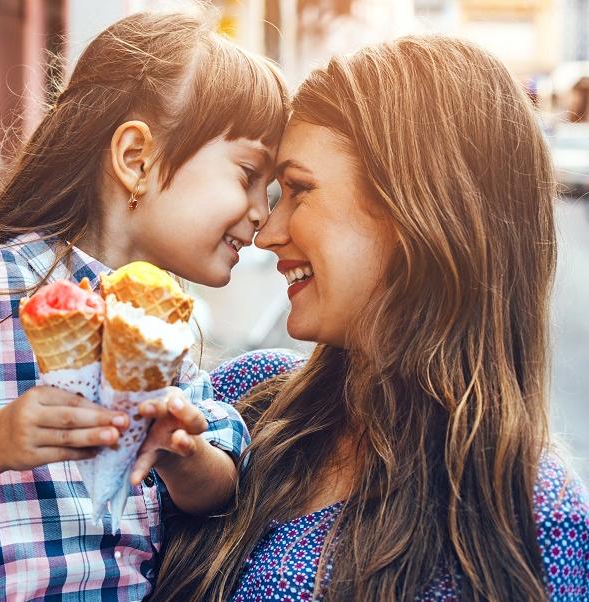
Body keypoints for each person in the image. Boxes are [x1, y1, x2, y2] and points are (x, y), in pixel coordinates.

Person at [0, 9, 291, 600]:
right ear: (134, 158)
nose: (263, 213)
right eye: (249, 175)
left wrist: (183, 452)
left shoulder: (164, 315)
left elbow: (223, 483)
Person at [153, 35, 589, 601]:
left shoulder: (535, 519)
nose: (267, 231)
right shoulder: (241, 402)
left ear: (417, 208)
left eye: (299, 190)